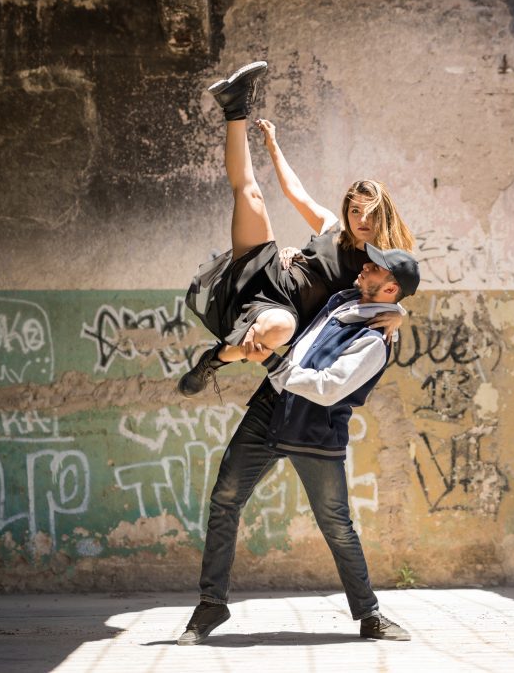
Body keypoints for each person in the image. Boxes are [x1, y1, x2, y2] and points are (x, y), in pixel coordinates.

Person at [176, 244, 421, 645]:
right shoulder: (346, 298)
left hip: (314, 432)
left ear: (390, 287)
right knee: (225, 500)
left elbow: (327, 389)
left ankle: (371, 615)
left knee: (337, 526)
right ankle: (211, 604)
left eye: (375, 268)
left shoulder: (375, 341)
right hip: (270, 411)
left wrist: (272, 362)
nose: (365, 267)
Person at [179, 60, 415, 396]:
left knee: (275, 329)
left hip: (285, 312)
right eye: (355, 211)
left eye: (371, 214)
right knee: (251, 195)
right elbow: (295, 191)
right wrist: (273, 147)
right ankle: (235, 106)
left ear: (384, 216)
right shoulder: (333, 227)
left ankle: (211, 362)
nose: (362, 220)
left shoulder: (383, 266)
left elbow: (393, 293)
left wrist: (399, 314)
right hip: (272, 273)